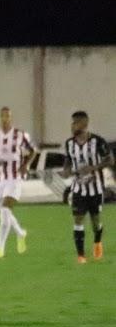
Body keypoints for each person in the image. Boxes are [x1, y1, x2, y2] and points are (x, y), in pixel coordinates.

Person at [0, 107, 36, 258]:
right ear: (0, 117)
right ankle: (20, 233)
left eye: (8, 116)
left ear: (11, 118)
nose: (6, 118)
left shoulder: (20, 135)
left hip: (15, 177)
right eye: (3, 116)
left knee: (5, 209)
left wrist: (26, 165)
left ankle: (0, 248)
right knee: (3, 213)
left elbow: (32, 151)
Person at [61, 111, 112, 263]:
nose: (72, 126)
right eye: (72, 123)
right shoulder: (69, 143)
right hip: (78, 190)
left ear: (84, 124)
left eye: (75, 122)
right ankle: (81, 256)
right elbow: (68, 161)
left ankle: (97, 242)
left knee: (96, 221)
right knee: (78, 220)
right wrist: (66, 171)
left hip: (95, 189)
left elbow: (110, 160)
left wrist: (93, 168)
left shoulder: (98, 141)